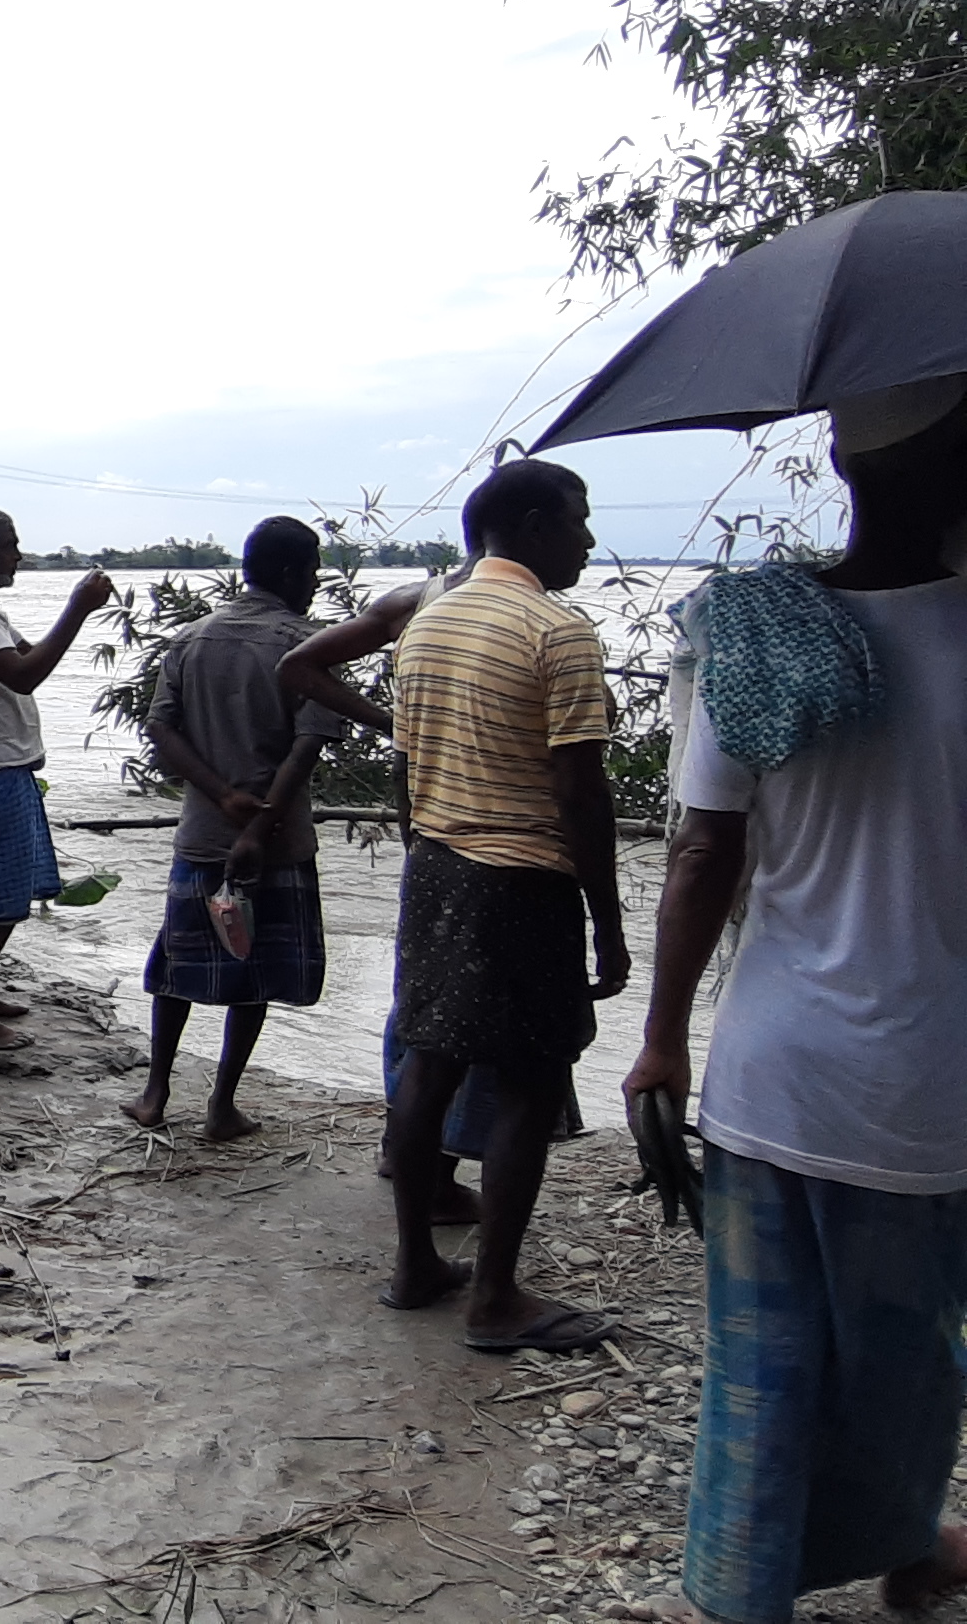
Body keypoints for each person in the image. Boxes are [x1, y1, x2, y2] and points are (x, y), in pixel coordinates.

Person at [623, 384, 967, 1624]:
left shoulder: (756, 627)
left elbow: (703, 857)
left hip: (773, 1073)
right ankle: (906, 1546)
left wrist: (661, 1041)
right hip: (931, 1083)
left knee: (762, 1372)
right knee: (911, 1359)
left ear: (842, 464)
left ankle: (745, 1595)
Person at [377, 457, 625, 1349]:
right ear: (527, 525)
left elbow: (407, 768)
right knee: (528, 1082)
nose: (588, 541)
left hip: (438, 866)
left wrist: (425, 853)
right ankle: (495, 1299)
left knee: (429, 1060)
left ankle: (413, 1266)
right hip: (524, 877)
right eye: (577, 521)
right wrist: (608, 917)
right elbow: (580, 793)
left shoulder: (425, 624)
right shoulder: (558, 631)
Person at [280, 498, 582, 1226]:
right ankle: (447, 1181)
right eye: (573, 522)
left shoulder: (422, 603)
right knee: (501, 1043)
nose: (584, 541)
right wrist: (393, 723)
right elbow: (302, 664)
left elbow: (303, 663)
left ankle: (416, 1167)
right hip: (508, 849)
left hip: (434, 836)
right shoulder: (533, 619)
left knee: (430, 1018)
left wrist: (399, 729)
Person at [124, 516, 347, 1140]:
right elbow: (307, 746)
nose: (313, 584)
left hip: (202, 834)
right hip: (278, 843)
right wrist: (260, 821)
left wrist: (220, 795)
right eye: (310, 571)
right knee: (257, 975)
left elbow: (161, 728)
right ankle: (221, 1104)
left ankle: (156, 1089)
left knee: (176, 967)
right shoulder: (308, 645)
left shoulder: (192, 639)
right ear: (290, 573)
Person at [0, 509, 113, 1050]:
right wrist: (77, 609)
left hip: (0, 765)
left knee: (4, 893)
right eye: (9, 546)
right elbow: (26, 676)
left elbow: (25, 656)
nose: (19, 554)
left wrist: (69, 616)